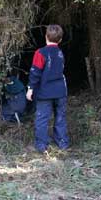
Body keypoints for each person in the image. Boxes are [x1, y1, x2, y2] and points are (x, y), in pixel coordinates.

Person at [26, 24, 69, 153]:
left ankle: (41, 146)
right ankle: (62, 143)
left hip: (45, 92)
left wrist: (30, 88)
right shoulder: (60, 53)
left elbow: (35, 72)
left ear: (46, 37)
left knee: (42, 118)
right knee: (60, 117)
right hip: (61, 91)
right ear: (60, 40)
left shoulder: (40, 53)